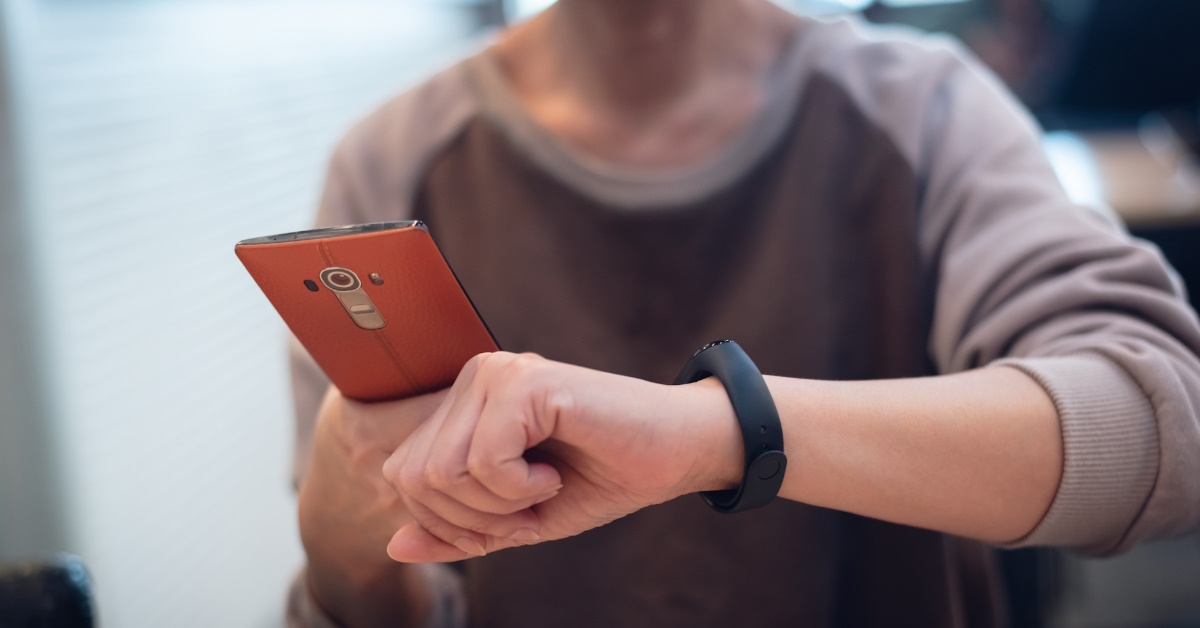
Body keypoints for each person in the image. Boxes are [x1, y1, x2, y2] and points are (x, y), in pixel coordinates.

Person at [286, 1, 1200, 626]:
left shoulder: (922, 110)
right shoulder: (393, 161)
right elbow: (376, 587)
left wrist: (717, 433)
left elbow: (1163, 427)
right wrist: (338, 529)